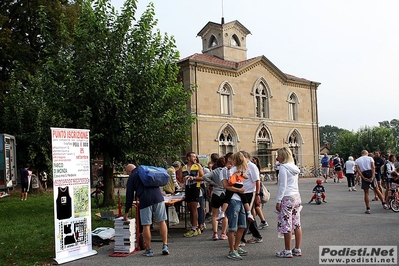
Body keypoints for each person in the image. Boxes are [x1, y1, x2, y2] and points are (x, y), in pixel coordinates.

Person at [123, 164, 169, 257]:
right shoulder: (147, 170)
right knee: (162, 222)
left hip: (145, 200)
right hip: (158, 197)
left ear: (129, 171)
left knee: (146, 225)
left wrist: (126, 212)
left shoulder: (132, 176)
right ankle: (165, 246)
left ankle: (149, 250)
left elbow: (129, 195)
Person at [275, 147, 302, 258]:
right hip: (296, 196)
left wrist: (278, 200)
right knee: (296, 224)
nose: (277, 158)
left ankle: (287, 251)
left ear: (283, 156)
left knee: (286, 225)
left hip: (287, 197)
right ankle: (297, 249)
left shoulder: (283, 168)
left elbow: (283, 185)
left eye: (278, 155)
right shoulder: (294, 167)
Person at [221, 153, 248, 260]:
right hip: (233, 201)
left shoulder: (237, 169)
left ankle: (236, 248)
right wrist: (239, 190)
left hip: (240, 200)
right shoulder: (225, 171)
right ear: (230, 159)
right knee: (232, 227)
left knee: (242, 226)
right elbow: (226, 186)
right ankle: (231, 250)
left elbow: (245, 176)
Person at [216, 152, 254, 222]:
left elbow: (230, 176)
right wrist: (241, 174)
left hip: (234, 184)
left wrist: (229, 171)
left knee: (227, 199)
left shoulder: (233, 168)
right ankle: (249, 213)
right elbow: (246, 177)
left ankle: (222, 212)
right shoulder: (241, 168)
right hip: (240, 184)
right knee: (245, 200)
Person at [239, 151, 263, 245]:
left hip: (250, 192)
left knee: (246, 214)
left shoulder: (252, 166)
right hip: (243, 192)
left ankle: (241, 238)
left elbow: (257, 181)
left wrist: (257, 194)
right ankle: (257, 235)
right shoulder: (242, 166)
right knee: (249, 214)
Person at [202, 156, 228, 241]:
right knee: (224, 215)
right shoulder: (227, 171)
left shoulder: (214, 171)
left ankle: (215, 233)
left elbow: (205, 177)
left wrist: (212, 183)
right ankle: (223, 233)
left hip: (216, 193)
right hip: (224, 193)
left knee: (214, 215)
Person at [355, 150, 388, 214]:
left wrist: (363, 177)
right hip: (370, 172)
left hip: (364, 173)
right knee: (376, 189)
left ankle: (368, 208)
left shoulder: (357, 160)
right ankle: (384, 203)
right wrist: (373, 176)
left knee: (366, 193)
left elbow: (358, 170)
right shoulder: (370, 158)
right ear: (367, 153)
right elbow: (373, 167)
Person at [182, 152, 204, 237]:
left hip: (196, 187)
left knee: (194, 208)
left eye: (195, 156)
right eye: (193, 156)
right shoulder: (184, 167)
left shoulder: (198, 166)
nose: (195, 158)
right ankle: (195, 226)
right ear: (188, 158)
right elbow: (181, 179)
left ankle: (195, 228)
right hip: (188, 188)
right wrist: (184, 179)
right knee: (190, 208)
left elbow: (203, 177)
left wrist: (194, 178)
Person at [251, 156, 269, 229]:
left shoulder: (254, 168)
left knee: (256, 207)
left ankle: (254, 222)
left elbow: (256, 181)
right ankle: (261, 221)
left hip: (256, 189)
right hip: (257, 189)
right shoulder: (256, 167)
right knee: (255, 207)